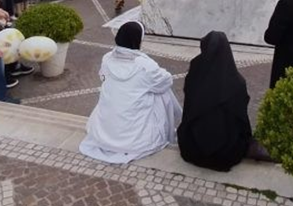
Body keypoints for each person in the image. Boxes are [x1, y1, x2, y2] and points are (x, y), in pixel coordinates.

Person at [80, 22, 182, 164]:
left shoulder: (107, 58)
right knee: (163, 93)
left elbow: (103, 78)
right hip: (135, 139)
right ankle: (173, 125)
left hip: (105, 129)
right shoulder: (145, 66)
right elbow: (166, 81)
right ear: (137, 40)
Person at [178, 31, 253, 172]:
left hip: (193, 149)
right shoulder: (237, 83)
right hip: (227, 153)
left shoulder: (195, 71)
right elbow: (241, 117)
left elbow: (188, 106)